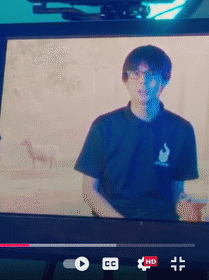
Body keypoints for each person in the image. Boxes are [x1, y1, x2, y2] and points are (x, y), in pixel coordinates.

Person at [74, 45, 199, 221]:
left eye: (152, 74)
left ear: (164, 81)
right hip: (111, 225)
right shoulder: (103, 126)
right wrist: (123, 226)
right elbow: (89, 191)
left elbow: (176, 190)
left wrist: (185, 206)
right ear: (125, 80)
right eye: (135, 74)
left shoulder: (182, 129)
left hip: (162, 226)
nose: (143, 81)